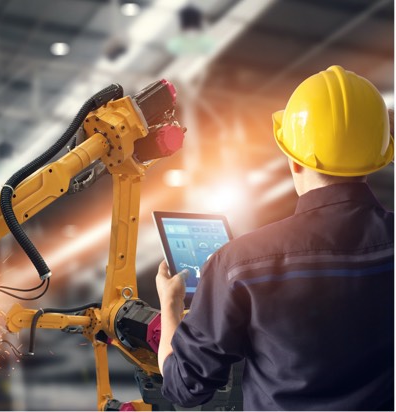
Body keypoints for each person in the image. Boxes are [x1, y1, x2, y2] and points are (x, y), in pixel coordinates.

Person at [156, 65, 394, 411]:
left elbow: (185, 387)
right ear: (378, 157)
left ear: (294, 161)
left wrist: (171, 306)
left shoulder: (238, 263)